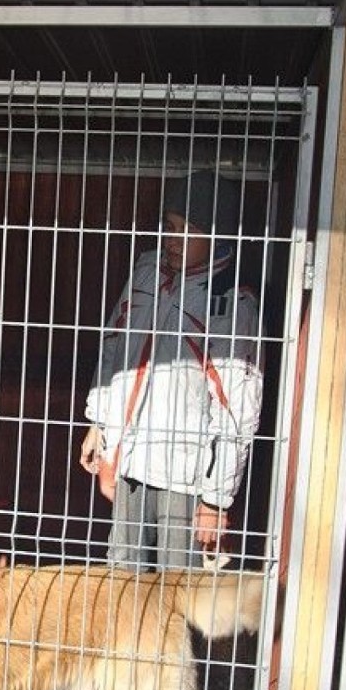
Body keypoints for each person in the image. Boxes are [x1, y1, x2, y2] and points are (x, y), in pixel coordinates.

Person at [79, 167, 263, 571]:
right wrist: (99, 423)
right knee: (123, 578)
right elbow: (116, 348)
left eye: (187, 229)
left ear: (216, 233)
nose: (172, 240)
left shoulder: (230, 301)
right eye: (169, 226)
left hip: (185, 474)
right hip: (131, 457)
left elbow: (238, 410)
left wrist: (216, 498)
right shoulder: (148, 271)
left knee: (179, 588)